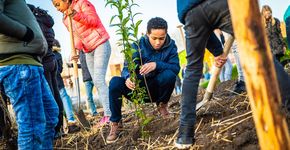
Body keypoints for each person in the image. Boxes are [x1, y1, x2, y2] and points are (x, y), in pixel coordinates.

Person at [175, 0, 290, 149]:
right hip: (220, 3)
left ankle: (184, 134)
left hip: (189, 12)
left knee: (192, 70)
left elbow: (204, 19)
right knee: (259, 49)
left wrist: (218, 52)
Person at [106, 17, 180, 143]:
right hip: (138, 90)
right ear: (147, 34)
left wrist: (157, 64)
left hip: (157, 91)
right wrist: (127, 77)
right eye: (154, 38)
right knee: (114, 82)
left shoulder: (171, 46)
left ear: (166, 34)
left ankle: (162, 106)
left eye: (161, 38)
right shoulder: (137, 46)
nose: (158, 42)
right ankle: (116, 122)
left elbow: (176, 68)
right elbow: (126, 68)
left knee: (169, 74)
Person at [0, 0, 59, 149]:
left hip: (31, 63)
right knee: (32, 127)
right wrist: (25, 33)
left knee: (50, 115)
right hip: (18, 64)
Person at [52, 0, 112, 125]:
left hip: (100, 43)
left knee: (99, 80)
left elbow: (93, 21)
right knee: (95, 81)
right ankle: (108, 113)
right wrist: (76, 50)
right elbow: (77, 37)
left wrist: (75, 14)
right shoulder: (65, 19)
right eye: (55, 6)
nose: (57, 8)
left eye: (58, 4)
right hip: (88, 50)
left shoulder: (83, 4)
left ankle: (110, 114)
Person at [28, 4, 64, 138]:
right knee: (56, 94)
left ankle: (53, 129)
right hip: (51, 59)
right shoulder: (47, 21)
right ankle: (58, 127)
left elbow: (37, 42)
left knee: (49, 97)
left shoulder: (35, 22)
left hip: (43, 61)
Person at [53, 39, 80, 133]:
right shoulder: (58, 55)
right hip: (57, 80)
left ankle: (59, 126)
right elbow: (59, 69)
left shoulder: (44, 54)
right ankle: (71, 119)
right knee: (64, 98)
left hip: (48, 81)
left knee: (55, 102)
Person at [79, 50, 98, 117]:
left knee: (102, 93)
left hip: (94, 76)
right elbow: (82, 65)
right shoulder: (80, 53)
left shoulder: (90, 49)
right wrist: (72, 65)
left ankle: (108, 110)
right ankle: (94, 112)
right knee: (89, 97)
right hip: (86, 79)